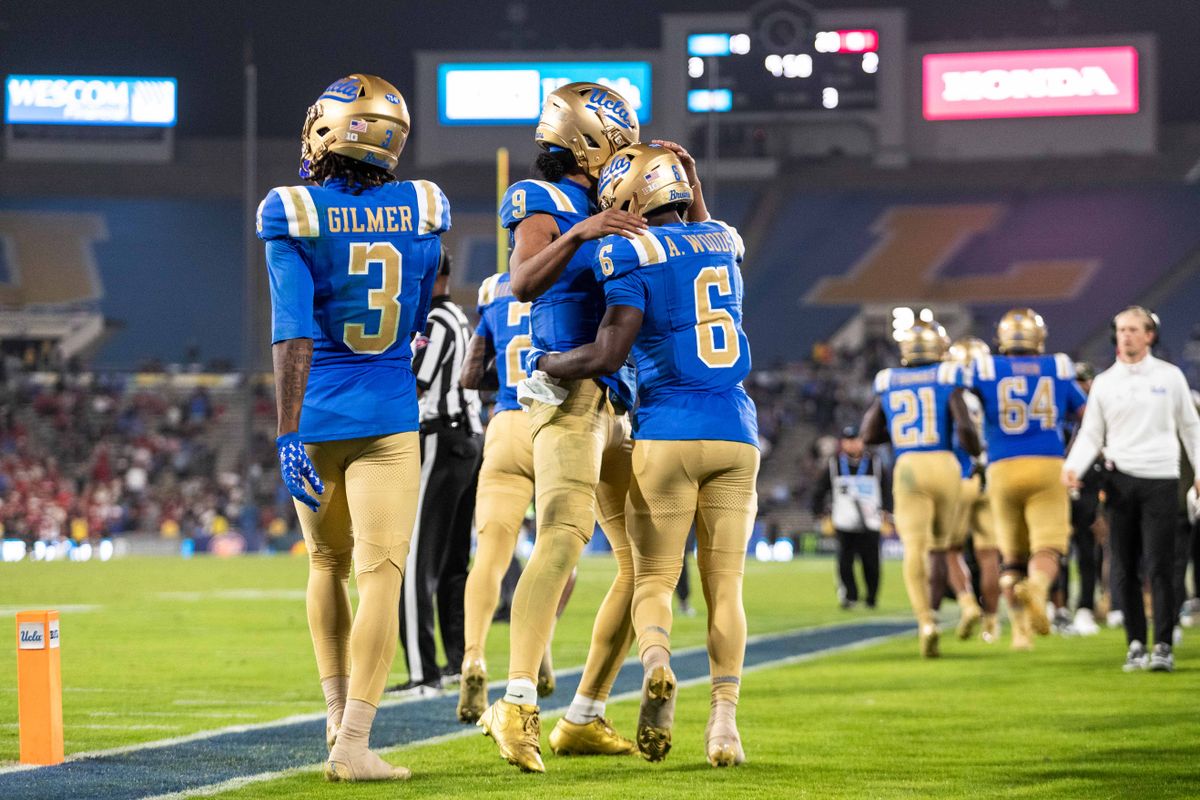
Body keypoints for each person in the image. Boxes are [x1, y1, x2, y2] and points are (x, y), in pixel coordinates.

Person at [534, 142, 758, 767]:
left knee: (654, 578)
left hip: (668, 430)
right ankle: (724, 727)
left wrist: (547, 362)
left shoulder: (626, 249)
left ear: (627, 199)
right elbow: (704, 230)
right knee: (726, 587)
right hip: (736, 429)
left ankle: (657, 661)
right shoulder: (724, 240)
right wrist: (691, 177)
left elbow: (607, 355)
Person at [260, 73, 448, 782]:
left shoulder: (293, 210)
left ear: (327, 131)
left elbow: (293, 334)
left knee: (325, 565)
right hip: (389, 413)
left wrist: (286, 432)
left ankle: (337, 716)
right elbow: (424, 300)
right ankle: (355, 743)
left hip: (316, 416)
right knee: (380, 577)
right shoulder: (426, 205)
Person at [478, 82, 648, 773]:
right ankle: (515, 700)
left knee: (649, 563)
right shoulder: (540, 200)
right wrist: (580, 230)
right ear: (589, 136)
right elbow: (521, 282)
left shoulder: (615, 201)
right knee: (563, 540)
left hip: (618, 398)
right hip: (568, 394)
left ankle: (584, 714)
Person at [456, 269, 575, 722]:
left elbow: (470, 374)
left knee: (489, 556)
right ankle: (539, 646)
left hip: (505, 424)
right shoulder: (575, 272)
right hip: (555, 424)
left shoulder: (493, 288)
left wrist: (509, 377)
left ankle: (473, 656)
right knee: (557, 554)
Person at [1064, 306, 1200, 671]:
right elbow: (1092, 433)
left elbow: (1191, 428)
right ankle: (1136, 643)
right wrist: (1072, 468)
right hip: (1120, 479)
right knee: (1123, 566)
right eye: (1121, 329)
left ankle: (1164, 645)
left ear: (1149, 335)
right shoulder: (1106, 382)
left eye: (1133, 329)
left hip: (1161, 478)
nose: (1126, 335)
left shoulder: (1170, 378)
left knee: (1161, 565)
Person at [391, 251, 483, 696]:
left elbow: (416, 382)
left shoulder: (434, 322)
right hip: (468, 440)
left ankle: (423, 673)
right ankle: (458, 663)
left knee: (413, 562)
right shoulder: (460, 318)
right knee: (452, 564)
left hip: (439, 440)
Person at [968, 308, 1084, 651]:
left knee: (1011, 557)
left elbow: (964, 411)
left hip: (1002, 466)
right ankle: (1037, 587)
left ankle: (1020, 633)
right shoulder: (1058, 366)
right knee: (1048, 546)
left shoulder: (985, 368)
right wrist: (1074, 455)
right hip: (1048, 464)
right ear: (1039, 339)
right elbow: (1087, 415)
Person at [861, 321, 979, 658]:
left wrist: (899, 437)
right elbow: (964, 426)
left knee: (914, 548)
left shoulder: (889, 381)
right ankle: (956, 606)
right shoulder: (947, 376)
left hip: (910, 466)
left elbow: (869, 435)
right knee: (943, 548)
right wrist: (975, 452)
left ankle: (926, 621)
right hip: (944, 464)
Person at [940, 337, 1000, 643]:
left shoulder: (951, 394)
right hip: (991, 478)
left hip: (960, 476)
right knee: (989, 556)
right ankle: (992, 623)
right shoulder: (995, 393)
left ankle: (967, 604)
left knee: (951, 552)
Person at [809, 425, 889, 610]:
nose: (852, 444)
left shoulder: (875, 463)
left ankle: (871, 597)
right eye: (848, 440)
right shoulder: (834, 464)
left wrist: (887, 510)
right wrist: (819, 512)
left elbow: (886, 489)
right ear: (842, 443)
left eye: (855, 439)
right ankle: (849, 596)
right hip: (844, 522)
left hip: (871, 521)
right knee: (845, 562)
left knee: (872, 563)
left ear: (862, 441)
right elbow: (820, 490)